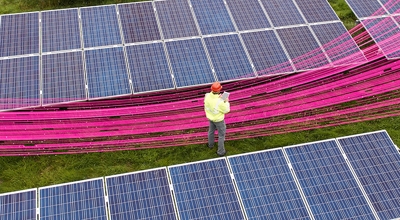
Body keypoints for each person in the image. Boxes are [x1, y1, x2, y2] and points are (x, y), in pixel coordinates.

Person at [204, 82, 230, 156]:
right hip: (219, 120)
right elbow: (226, 110)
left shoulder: (207, 96)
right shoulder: (220, 101)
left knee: (211, 131)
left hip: (210, 118)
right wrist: (226, 101)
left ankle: (210, 145)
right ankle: (221, 152)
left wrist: (221, 99)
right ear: (219, 90)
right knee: (221, 135)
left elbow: (212, 104)